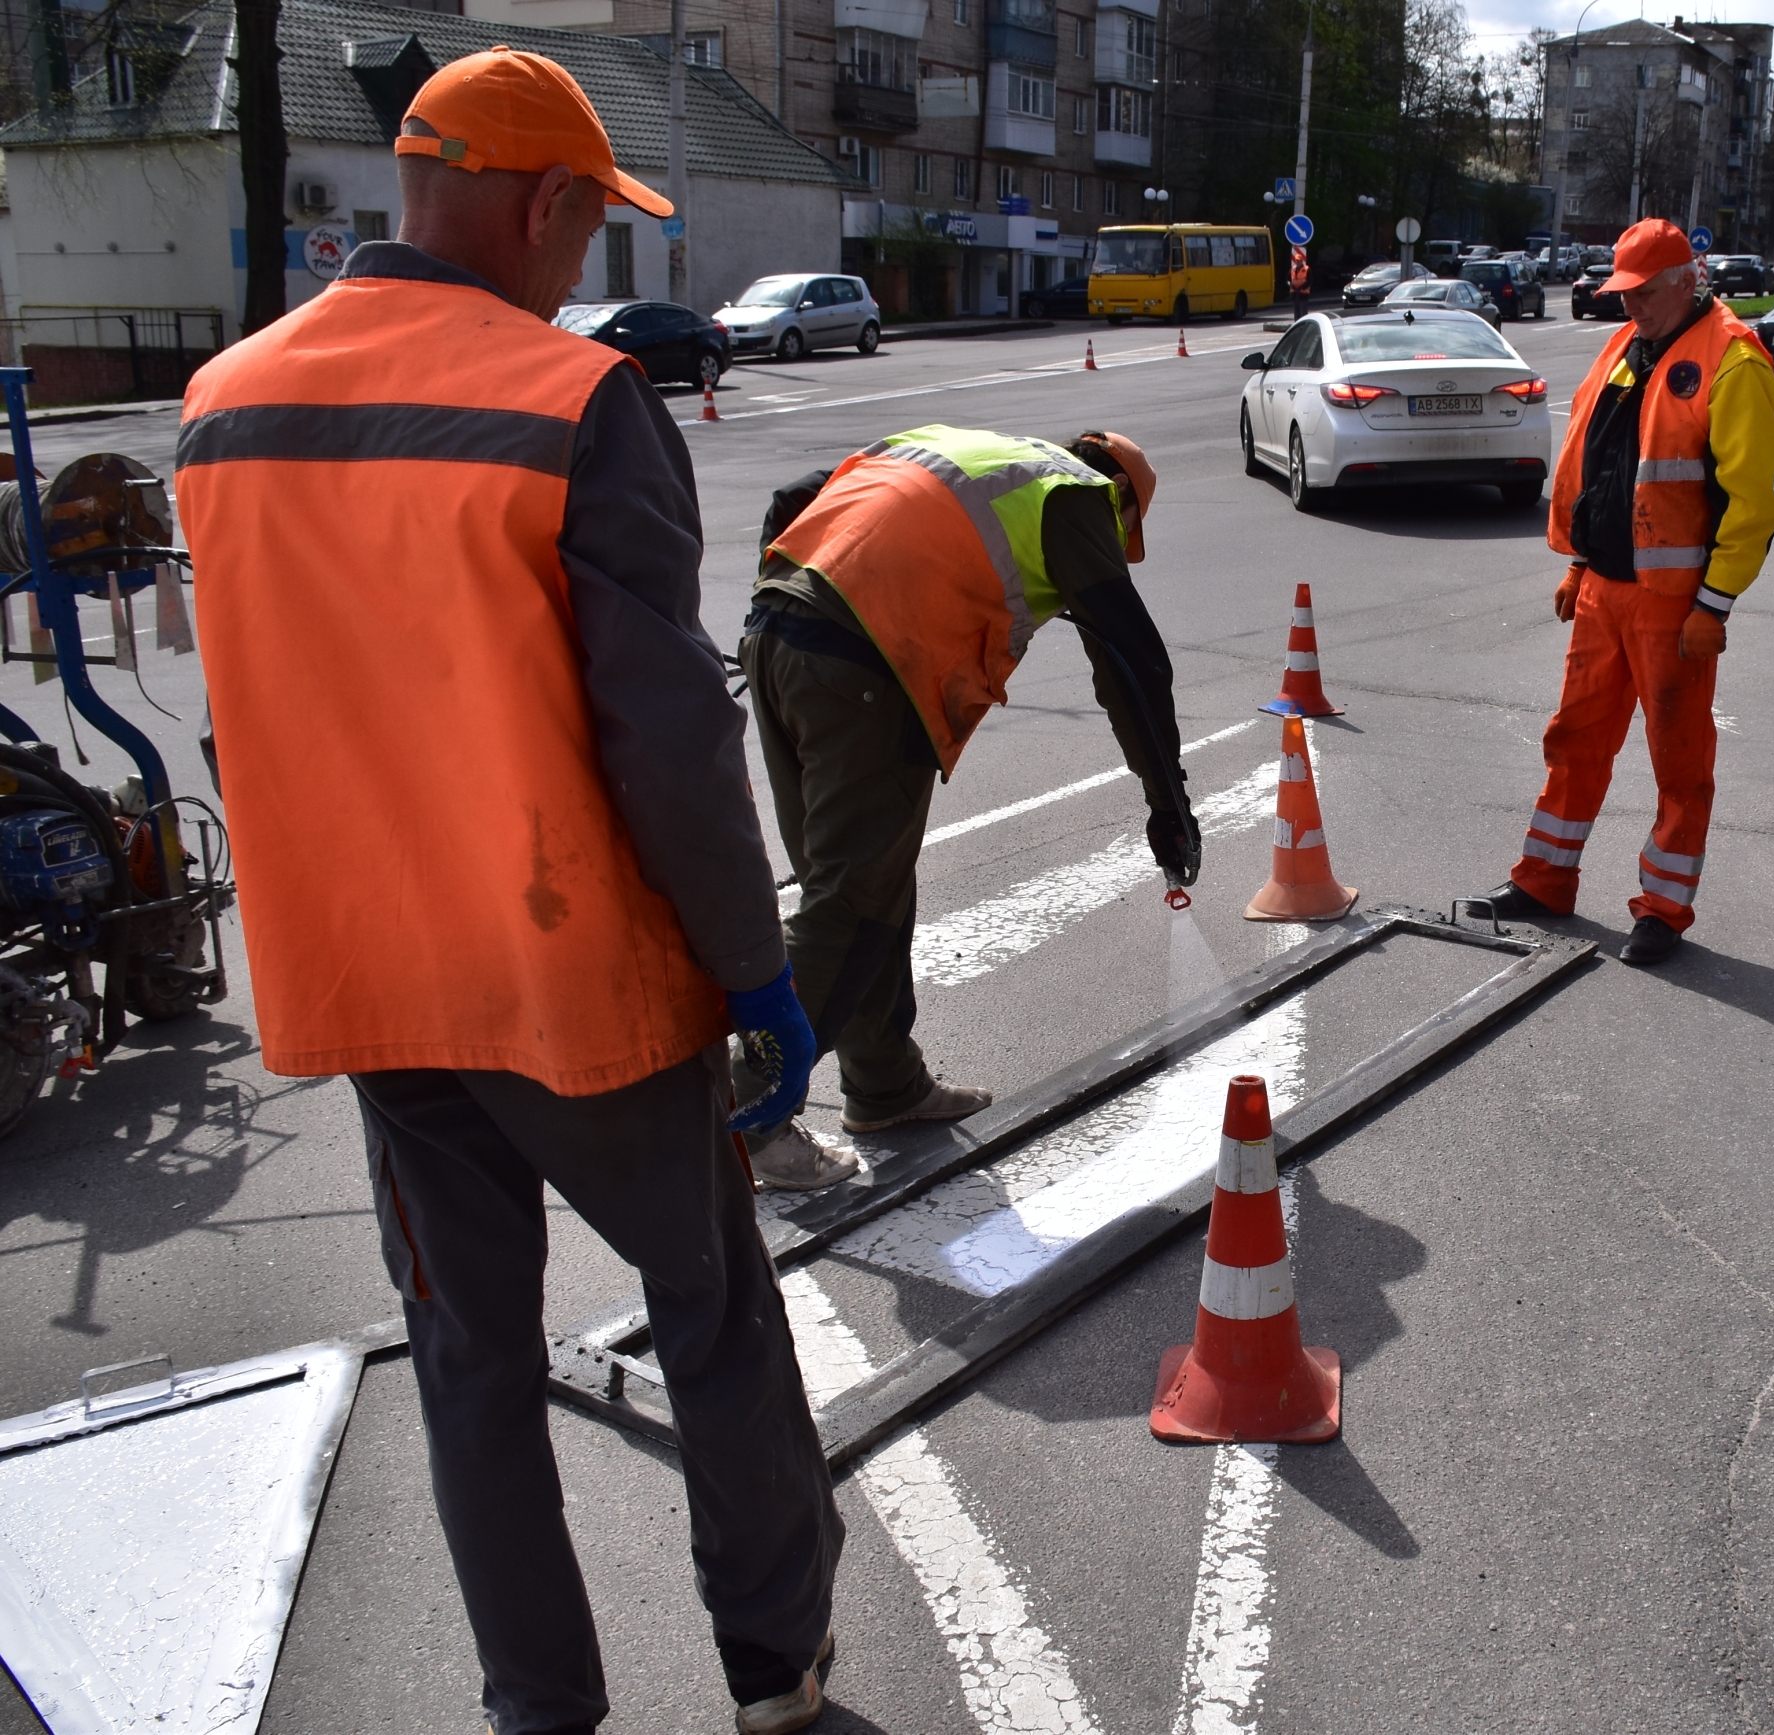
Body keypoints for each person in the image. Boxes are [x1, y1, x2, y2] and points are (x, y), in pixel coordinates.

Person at [172, 48, 843, 1735]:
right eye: (588, 227)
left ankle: (539, 1711)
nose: (581, 265)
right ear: (543, 202)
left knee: (471, 1364)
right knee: (711, 1309)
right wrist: (757, 972)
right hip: (572, 987)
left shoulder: (223, 403)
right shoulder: (569, 401)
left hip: (373, 988)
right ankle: (775, 1678)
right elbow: (671, 738)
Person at [733, 424, 1195, 1178]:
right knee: (849, 898)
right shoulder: (1077, 496)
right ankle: (748, 1116)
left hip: (780, 635)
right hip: (865, 668)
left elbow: (798, 496)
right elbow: (1130, 658)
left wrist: (790, 610)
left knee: (861, 882)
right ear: (1123, 501)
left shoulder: (963, 449)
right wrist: (1167, 803)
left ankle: (884, 1082)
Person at [1473, 217, 1774, 968]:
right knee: (1573, 739)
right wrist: (1580, 564)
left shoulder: (1733, 360)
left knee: (1678, 758)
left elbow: (1752, 505)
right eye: (1624, 293)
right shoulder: (1626, 348)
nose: (1631, 306)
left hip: (1674, 607)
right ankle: (1545, 879)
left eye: (1644, 292)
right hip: (1604, 591)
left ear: (1688, 281)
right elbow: (1603, 468)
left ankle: (1663, 910)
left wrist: (1715, 603)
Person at [1289, 244, 1312, 320]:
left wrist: (1301, 288)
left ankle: (1304, 328)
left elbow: (1309, 281)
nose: (1297, 262)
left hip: (1303, 294)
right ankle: (1297, 327)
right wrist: (1292, 286)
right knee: (1296, 313)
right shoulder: (1292, 269)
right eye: (1296, 260)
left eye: (1299, 260)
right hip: (1295, 294)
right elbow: (1288, 280)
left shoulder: (1307, 269)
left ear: (1302, 261)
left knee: (1303, 314)